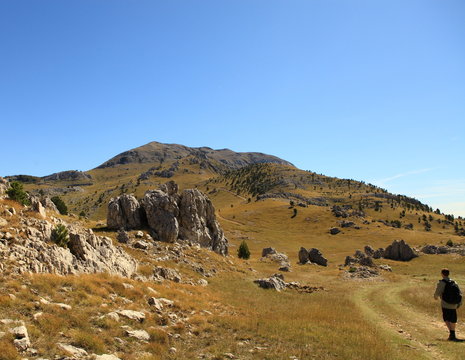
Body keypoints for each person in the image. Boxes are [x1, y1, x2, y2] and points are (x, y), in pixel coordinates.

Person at [434, 268, 462, 341]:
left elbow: (438, 292)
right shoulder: (454, 282)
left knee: (446, 318)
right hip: (454, 304)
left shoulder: (442, 282)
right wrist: (459, 303)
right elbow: (459, 293)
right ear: (448, 274)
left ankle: (452, 334)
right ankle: (453, 334)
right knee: (453, 319)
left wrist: (435, 297)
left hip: (445, 304)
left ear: (442, 274)